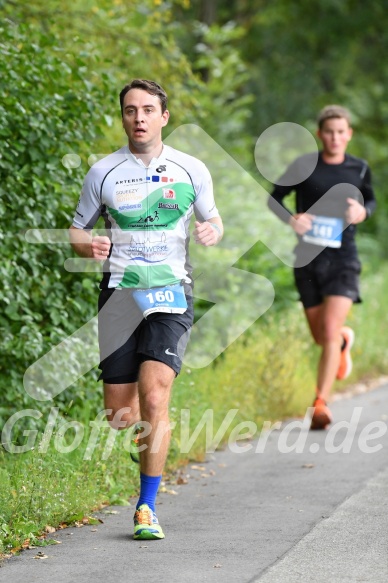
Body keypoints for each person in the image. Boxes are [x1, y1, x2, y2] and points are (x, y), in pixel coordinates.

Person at [69, 79, 223, 539]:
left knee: (155, 396)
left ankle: (147, 507)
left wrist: (213, 230)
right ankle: (149, 434)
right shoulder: (103, 172)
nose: (139, 118)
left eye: (148, 110)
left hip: (171, 291)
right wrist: (88, 245)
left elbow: (212, 217)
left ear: (164, 117)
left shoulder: (190, 169)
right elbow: (77, 229)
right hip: (119, 295)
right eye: (131, 110)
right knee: (121, 414)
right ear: (123, 118)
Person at [267, 105, 376, 429]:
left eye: (341, 132)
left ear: (349, 134)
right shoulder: (304, 165)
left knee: (327, 330)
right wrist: (292, 219)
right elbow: (274, 198)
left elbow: (370, 200)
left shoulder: (359, 168)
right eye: (329, 132)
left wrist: (362, 212)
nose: (335, 137)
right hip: (308, 259)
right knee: (322, 336)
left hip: (344, 259)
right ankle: (343, 342)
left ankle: (320, 403)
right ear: (320, 134)